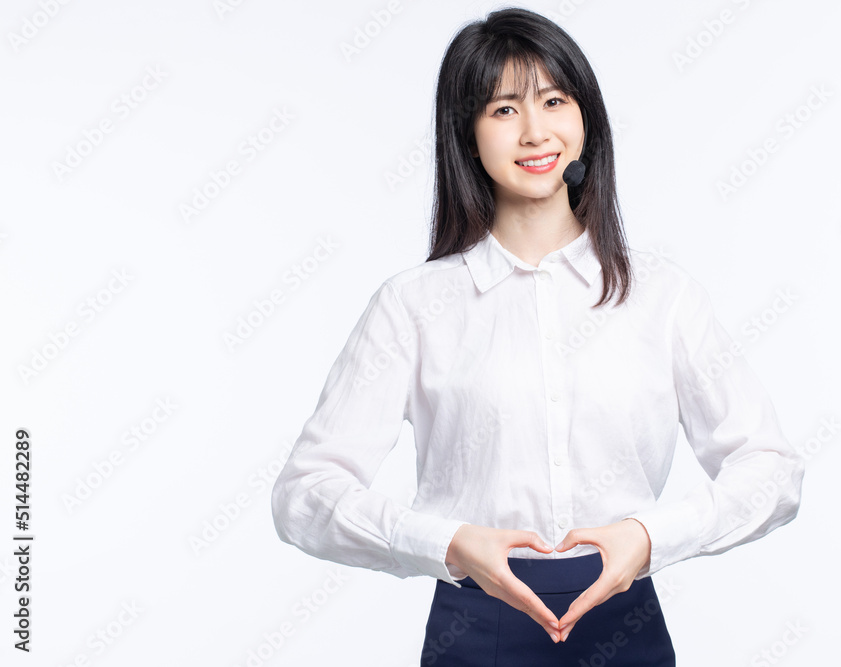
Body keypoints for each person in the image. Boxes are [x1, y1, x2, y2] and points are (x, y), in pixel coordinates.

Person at [270, 6, 804, 665]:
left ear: (585, 119)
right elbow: (303, 492)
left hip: (625, 626)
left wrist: (650, 535)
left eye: (553, 100)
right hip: (475, 628)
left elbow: (773, 470)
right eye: (502, 109)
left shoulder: (662, 297)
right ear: (467, 135)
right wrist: (448, 542)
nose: (534, 131)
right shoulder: (414, 306)